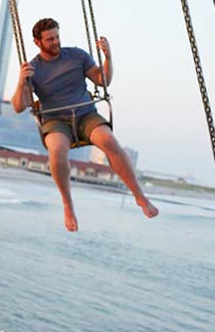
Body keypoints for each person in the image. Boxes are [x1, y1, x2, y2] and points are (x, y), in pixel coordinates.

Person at [12, 18, 158, 232]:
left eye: (57, 37)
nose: (56, 42)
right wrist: (21, 81)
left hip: (85, 114)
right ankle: (68, 205)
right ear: (38, 42)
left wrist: (108, 58)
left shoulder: (77, 56)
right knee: (57, 150)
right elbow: (18, 106)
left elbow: (102, 80)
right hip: (56, 120)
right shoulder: (33, 68)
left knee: (109, 140)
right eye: (50, 39)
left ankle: (139, 196)